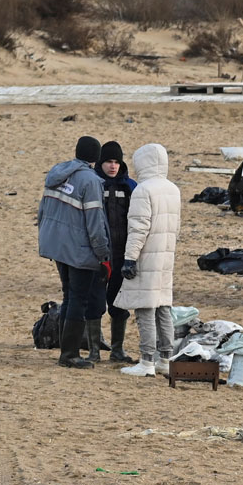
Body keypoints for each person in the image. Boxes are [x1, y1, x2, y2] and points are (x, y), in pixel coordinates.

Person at [38, 136, 110, 370]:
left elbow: (43, 210)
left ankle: (65, 351)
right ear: (96, 158)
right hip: (79, 249)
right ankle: (69, 355)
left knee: (69, 295)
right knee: (79, 298)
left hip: (57, 246)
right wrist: (103, 254)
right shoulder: (90, 181)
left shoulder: (58, 172)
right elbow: (95, 223)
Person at [115, 145, 182, 378]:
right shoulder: (173, 189)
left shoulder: (143, 190)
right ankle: (165, 359)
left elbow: (138, 229)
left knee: (145, 308)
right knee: (164, 307)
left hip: (146, 256)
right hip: (166, 256)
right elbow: (176, 227)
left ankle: (146, 361)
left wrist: (130, 258)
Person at [95, 141, 137, 364]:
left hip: (122, 255)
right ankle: (94, 350)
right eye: (108, 162)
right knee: (94, 304)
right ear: (100, 163)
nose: (113, 166)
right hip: (98, 256)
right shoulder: (93, 185)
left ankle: (117, 350)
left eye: (116, 162)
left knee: (119, 304)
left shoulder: (130, 186)